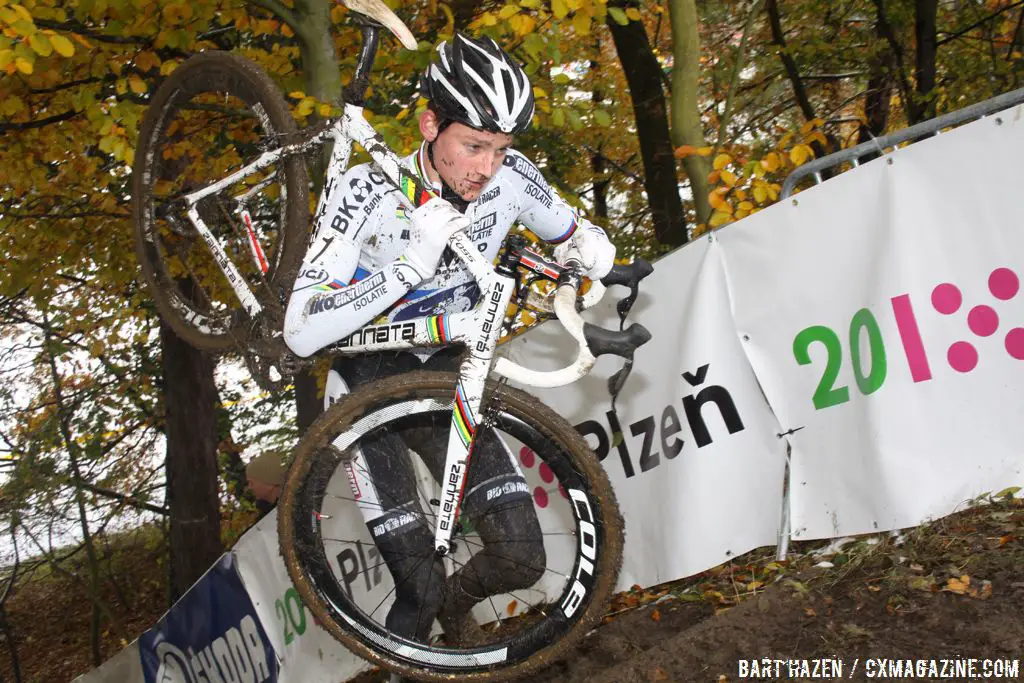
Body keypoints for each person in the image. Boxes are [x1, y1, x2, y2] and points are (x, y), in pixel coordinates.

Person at [282, 33, 616, 644]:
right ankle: (419, 642)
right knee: (419, 584)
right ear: (430, 124)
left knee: (521, 556)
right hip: (366, 380)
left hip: (446, 371)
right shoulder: (367, 193)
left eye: (500, 149)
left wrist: (586, 251)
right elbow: (301, 331)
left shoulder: (509, 179)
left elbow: (569, 231)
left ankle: (449, 628)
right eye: (472, 146)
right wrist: (408, 266)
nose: (484, 169)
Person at [245, 450, 287, 518]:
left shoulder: (297, 506)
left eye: (251, 482)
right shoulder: (264, 513)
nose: (249, 487)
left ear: (270, 483)